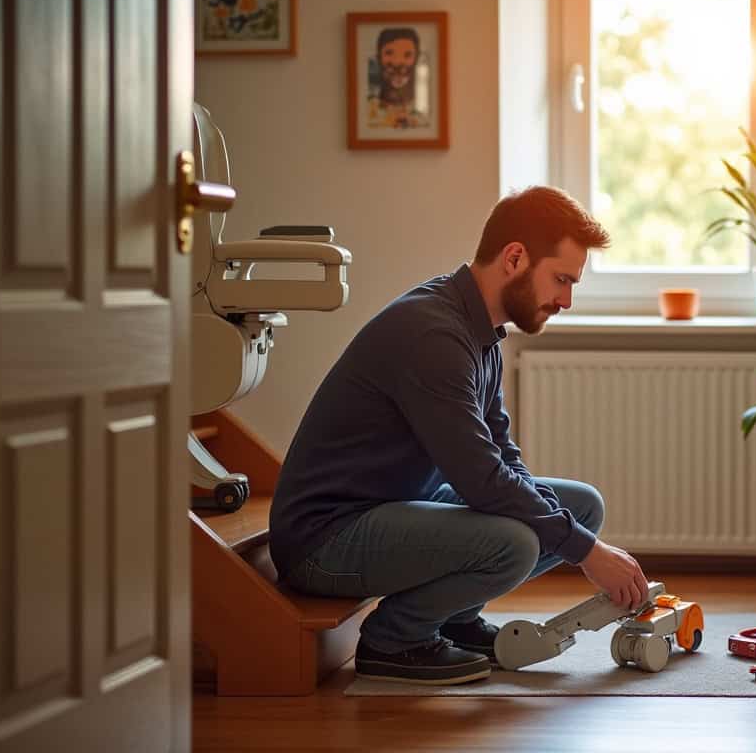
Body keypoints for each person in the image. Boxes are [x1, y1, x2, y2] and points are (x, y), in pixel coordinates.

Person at [270, 186, 650, 685]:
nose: (566, 300)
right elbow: (481, 479)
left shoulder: (481, 331)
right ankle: (395, 640)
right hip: (326, 538)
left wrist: (578, 536)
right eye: (560, 280)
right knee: (512, 542)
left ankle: (453, 618)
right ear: (515, 257)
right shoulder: (434, 334)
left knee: (581, 507)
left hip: (397, 507)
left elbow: (501, 455)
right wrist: (586, 552)